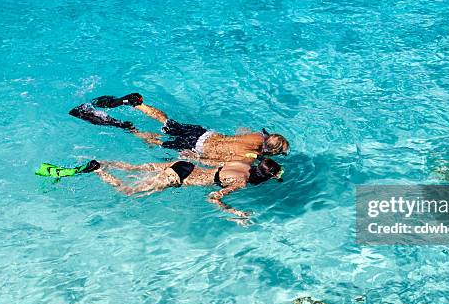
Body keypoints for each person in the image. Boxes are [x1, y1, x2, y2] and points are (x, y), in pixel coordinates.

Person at [69, 93, 289, 164]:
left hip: (204, 133)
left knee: (167, 122)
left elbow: (240, 130)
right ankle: (124, 126)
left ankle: (137, 104)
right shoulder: (247, 159)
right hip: (196, 145)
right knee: (154, 140)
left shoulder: (254, 137)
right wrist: (193, 158)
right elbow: (212, 161)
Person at [42, 157, 284, 219]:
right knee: (127, 191)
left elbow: (211, 163)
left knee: (135, 168)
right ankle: (97, 169)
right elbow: (213, 197)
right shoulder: (241, 182)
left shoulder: (243, 164)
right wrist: (234, 212)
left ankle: (104, 162)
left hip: (184, 165)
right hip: (178, 178)